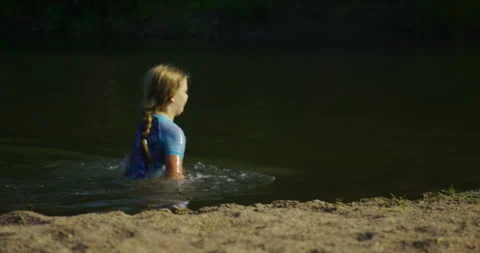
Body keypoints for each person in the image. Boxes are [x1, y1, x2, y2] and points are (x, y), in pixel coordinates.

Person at [123, 64, 189, 180]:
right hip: (154, 195)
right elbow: (174, 176)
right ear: (172, 96)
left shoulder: (144, 126)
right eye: (185, 91)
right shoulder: (174, 132)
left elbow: (129, 164)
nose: (186, 96)